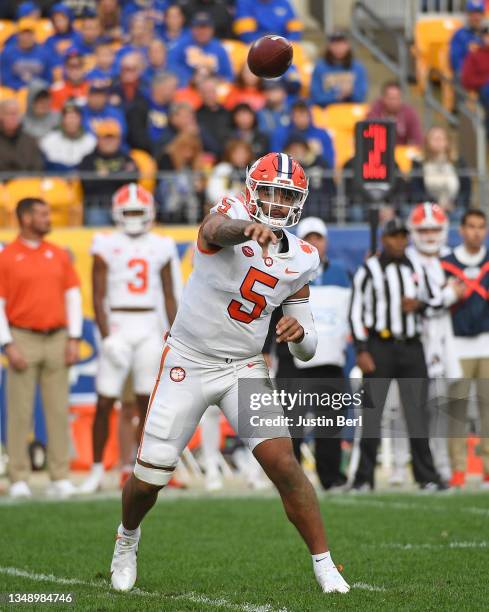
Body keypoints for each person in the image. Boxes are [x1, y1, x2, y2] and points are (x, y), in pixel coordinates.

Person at [109, 151, 350, 594]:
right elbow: (213, 231)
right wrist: (247, 229)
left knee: (284, 464)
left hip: (243, 367)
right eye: (272, 193)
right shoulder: (230, 214)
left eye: (287, 197)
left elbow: (308, 345)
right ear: (252, 190)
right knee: (150, 479)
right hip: (188, 358)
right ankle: (127, 539)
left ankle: (325, 563)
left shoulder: (302, 257)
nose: (278, 204)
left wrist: (298, 333)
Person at [79, 184, 179, 494]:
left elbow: (168, 295)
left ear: (149, 214)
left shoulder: (161, 245)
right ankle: (97, 470)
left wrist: (174, 336)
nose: (134, 218)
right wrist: (106, 336)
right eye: (129, 212)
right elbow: (97, 295)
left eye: (138, 212)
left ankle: (142, 469)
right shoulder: (105, 243)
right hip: (120, 323)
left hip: (149, 323)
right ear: (117, 214)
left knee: (145, 402)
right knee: (106, 398)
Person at [349, 218, 447, 492]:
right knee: (372, 414)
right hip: (380, 347)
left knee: (418, 414)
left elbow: (437, 300)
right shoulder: (369, 270)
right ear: (384, 239)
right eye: (394, 236)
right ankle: (363, 479)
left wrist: (420, 304)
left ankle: (427, 476)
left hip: (412, 347)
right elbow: (356, 312)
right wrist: (361, 349)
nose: (399, 241)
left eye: (403, 236)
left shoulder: (417, 266)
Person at [0, 198, 82, 499]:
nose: (48, 218)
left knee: (58, 410)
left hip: (57, 337)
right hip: (22, 336)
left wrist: (73, 338)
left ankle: (59, 475)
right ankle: (19, 476)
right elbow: (0, 304)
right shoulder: (7, 256)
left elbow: (73, 295)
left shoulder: (58, 254)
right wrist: (7, 344)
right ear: (24, 218)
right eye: (42, 214)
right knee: (19, 412)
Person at [264, 217, 351, 489]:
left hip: (330, 357)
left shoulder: (341, 272)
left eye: (319, 238)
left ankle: (331, 477)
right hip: (291, 354)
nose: (315, 243)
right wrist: (267, 349)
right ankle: (293, 478)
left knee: (331, 422)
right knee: (292, 424)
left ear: (325, 242)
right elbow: (270, 311)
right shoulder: (285, 269)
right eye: (309, 238)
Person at [406, 203, 464, 483]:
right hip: (413, 340)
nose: (429, 235)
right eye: (424, 229)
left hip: (448, 341)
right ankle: (400, 465)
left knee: (443, 407)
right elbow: (418, 303)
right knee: (401, 410)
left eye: (434, 229)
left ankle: (441, 463)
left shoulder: (452, 259)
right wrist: (447, 296)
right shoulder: (405, 260)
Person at [441, 209, 489, 490]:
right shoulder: (446, 263)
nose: (476, 232)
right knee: (456, 412)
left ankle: (487, 471)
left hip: (486, 343)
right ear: (461, 229)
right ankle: (458, 469)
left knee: (487, 411)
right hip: (456, 345)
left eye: (481, 227)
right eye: (471, 227)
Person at [79, 120, 138, 224]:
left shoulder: (126, 158)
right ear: (98, 139)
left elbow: (133, 181)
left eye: (112, 138)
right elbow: (88, 184)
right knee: (96, 219)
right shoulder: (88, 159)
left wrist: (104, 176)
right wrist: (119, 174)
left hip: (124, 205)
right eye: (105, 138)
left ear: (119, 140)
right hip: (97, 205)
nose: (109, 142)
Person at [409, 126, 471, 216]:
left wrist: (454, 204)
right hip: (427, 209)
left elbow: (466, 189)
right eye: (434, 138)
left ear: (447, 142)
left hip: (454, 207)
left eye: (441, 138)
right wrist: (435, 205)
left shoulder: (458, 162)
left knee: (462, 214)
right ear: (427, 142)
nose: (438, 141)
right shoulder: (418, 162)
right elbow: (416, 190)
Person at [168, 12, 233, 87]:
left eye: (205, 27)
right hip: (188, 90)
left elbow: (229, 77)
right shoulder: (181, 45)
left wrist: (215, 80)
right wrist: (190, 79)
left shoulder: (219, 49)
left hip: (214, 90)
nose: (202, 31)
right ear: (192, 29)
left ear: (212, 29)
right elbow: (172, 66)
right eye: (198, 27)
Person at [311, 31, 368, 108]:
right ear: (329, 46)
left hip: (351, 111)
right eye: (335, 44)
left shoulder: (358, 67)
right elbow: (316, 97)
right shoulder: (320, 67)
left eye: (341, 44)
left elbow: (361, 97)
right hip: (326, 112)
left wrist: (350, 93)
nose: (338, 47)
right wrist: (337, 95)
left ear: (348, 45)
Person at [284, 138, 336, 222]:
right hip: (295, 209)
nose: (296, 152)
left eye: (299, 148)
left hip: (320, 207)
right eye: (293, 149)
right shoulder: (283, 167)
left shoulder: (320, 162)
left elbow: (331, 188)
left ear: (306, 149)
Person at [272, 101, 335, 169]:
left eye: (303, 114)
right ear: (292, 116)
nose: (301, 119)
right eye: (297, 115)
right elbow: (274, 159)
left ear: (309, 115)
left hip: (315, 172)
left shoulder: (322, 134)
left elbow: (330, 163)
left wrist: (318, 154)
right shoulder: (281, 133)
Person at [40, 101, 97, 171]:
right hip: (56, 179)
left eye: (75, 117)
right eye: (68, 117)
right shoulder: (49, 139)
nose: (71, 121)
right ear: (62, 120)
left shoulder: (91, 141)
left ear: (81, 120)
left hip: (81, 179)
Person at [0, 18, 52, 90]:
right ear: (18, 35)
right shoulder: (7, 52)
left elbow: (48, 79)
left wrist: (35, 88)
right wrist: (22, 88)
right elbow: (6, 79)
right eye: (23, 34)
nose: (26, 37)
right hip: (14, 92)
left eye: (29, 34)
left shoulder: (44, 53)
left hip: (38, 92)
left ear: (34, 35)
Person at [367, 81, 424, 147]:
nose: (393, 102)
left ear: (401, 98)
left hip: (400, 153)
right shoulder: (375, 109)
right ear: (383, 98)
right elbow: (368, 132)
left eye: (396, 98)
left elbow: (418, 139)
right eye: (390, 98)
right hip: (378, 150)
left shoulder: (409, 113)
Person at [0, 99, 44, 172]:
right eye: (9, 114)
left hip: (26, 182)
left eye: (16, 114)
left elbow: (37, 168)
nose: (13, 118)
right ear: (1, 115)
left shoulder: (30, 141)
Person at [206, 139, 253, 204]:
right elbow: (214, 194)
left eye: (244, 153)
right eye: (237, 153)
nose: (241, 156)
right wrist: (239, 194)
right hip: (226, 208)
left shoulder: (253, 169)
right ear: (230, 153)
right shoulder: (223, 169)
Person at [461, 26, 489, 133]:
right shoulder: (474, 55)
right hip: (482, 91)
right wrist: (485, 81)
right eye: (487, 35)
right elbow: (467, 79)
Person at [234, 0, 302, 43]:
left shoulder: (284, 3)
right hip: (257, 44)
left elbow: (295, 30)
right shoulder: (245, 2)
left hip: (284, 43)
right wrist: (267, 43)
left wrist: (287, 43)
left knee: (308, 49)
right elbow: (246, 34)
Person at [196, 76, 232, 156]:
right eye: (206, 92)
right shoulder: (195, 116)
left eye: (212, 92)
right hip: (206, 159)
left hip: (228, 156)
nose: (209, 95)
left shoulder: (228, 113)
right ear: (200, 94)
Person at [449, 0, 485, 76]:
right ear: (467, 15)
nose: (476, 17)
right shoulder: (459, 35)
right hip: (467, 77)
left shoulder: (485, 35)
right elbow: (456, 62)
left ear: (483, 15)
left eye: (479, 13)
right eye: (473, 13)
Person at [146, 72, 179, 152]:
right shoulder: (142, 107)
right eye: (173, 88)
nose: (175, 92)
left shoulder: (173, 110)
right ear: (160, 88)